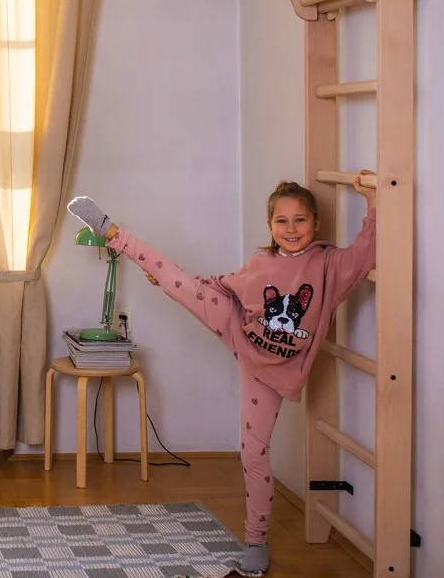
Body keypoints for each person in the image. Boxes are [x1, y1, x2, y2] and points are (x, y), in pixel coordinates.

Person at [67, 172, 376, 577]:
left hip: (273, 373)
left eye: (300, 220)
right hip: (239, 331)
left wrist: (373, 199)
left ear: (316, 223)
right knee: (181, 282)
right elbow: (224, 287)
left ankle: (256, 541)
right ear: (270, 226)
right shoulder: (261, 263)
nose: (291, 229)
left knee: (254, 452)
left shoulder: (329, 266)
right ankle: (112, 233)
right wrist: (175, 283)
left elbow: (367, 251)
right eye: (281, 221)